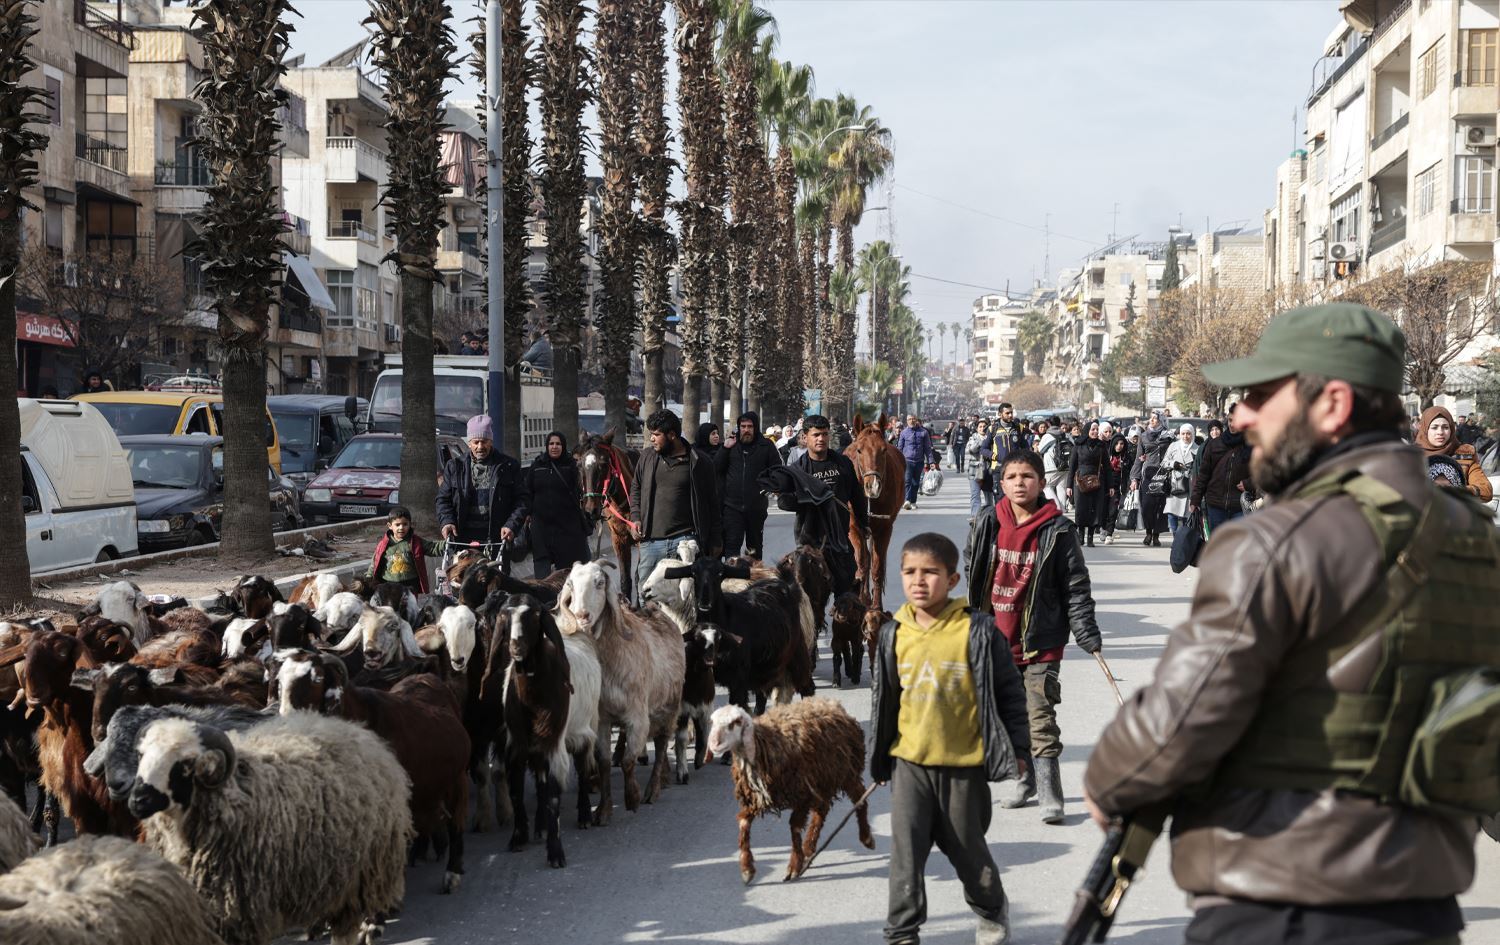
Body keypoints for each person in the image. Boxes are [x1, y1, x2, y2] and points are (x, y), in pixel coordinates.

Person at [1084, 301, 1500, 945]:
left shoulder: (1276, 541)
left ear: (1331, 405)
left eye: (1259, 394)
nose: (1242, 414)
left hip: (1281, 907)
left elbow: (1173, 728)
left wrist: (1110, 775)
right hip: (1423, 910)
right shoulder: (1474, 537)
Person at [869, 532, 1030, 945]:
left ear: (954, 579)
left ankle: (992, 911)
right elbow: (884, 700)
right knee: (905, 855)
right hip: (910, 764)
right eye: (909, 572)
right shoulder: (893, 633)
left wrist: (1020, 749)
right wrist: (879, 756)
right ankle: (901, 932)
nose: (918, 581)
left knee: (968, 852)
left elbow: (1010, 693)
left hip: (964, 764)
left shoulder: (976, 631)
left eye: (930, 573)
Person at [965, 451, 1101, 823]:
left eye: (1028, 475)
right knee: (1010, 718)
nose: (1020, 482)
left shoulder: (1058, 530)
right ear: (1001, 483)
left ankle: (1050, 793)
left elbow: (1076, 586)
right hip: (995, 640)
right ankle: (1024, 781)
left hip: (1042, 640)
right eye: (1012, 476)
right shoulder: (987, 523)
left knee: (1040, 716)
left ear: (1042, 482)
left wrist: (1086, 631)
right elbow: (971, 567)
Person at [627, 409, 721, 591]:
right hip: (651, 542)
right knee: (646, 594)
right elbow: (635, 488)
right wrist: (635, 517)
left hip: (686, 542)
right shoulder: (647, 457)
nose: (652, 439)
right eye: (651, 434)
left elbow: (712, 503)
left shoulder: (700, 461)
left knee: (685, 596)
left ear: (671, 435)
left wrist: (716, 538)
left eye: (656, 435)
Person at [781, 414, 867, 595]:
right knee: (811, 602)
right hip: (809, 545)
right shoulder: (798, 469)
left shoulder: (843, 464)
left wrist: (863, 523)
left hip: (840, 542)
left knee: (847, 598)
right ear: (805, 437)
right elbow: (784, 501)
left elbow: (857, 496)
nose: (821, 439)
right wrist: (804, 497)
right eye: (816, 435)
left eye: (824, 434)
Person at [437, 415, 530, 554]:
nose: (480, 446)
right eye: (476, 442)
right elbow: (443, 500)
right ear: (469, 443)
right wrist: (447, 522)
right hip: (463, 540)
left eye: (484, 441)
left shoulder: (508, 466)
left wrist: (511, 525)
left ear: (491, 441)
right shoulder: (454, 467)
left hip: (496, 540)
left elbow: (522, 500)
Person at [524, 431, 592, 579]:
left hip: (567, 529)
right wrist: (527, 515)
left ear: (563, 446)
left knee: (565, 576)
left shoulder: (572, 466)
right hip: (541, 530)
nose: (554, 447)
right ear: (547, 446)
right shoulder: (537, 465)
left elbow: (584, 488)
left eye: (558, 444)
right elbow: (527, 493)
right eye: (551, 444)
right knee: (542, 576)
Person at [715, 410, 782, 560]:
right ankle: (732, 581)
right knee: (732, 547)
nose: (746, 430)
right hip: (732, 506)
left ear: (755, 427)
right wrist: (725, 448)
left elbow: (777, 470)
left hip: (756, 507)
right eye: (743, 426)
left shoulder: (766, 446)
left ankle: (754, 580)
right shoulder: (731, 445)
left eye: (750, 426)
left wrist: (769, 487)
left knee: (754, 548)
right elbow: (716, 468)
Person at [1191, 404, 1255, 535]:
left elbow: (1262, 473)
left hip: (1240, 506)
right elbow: (1203, 474)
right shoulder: (1215, 444)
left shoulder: (1252, 445)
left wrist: (1249, 483)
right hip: (1216, 505)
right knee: (1218, 546)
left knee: (1237, 545)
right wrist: (1195, 499)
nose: (1232, 424)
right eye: (1230, 420)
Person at [1417, 405, 1493, 500]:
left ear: (1452, 429)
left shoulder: (1465, 454)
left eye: (1445, 427)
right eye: (1434, 427)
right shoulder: (1411, 456)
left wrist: (1456, 491)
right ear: (1425, 429)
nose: (1440, 432)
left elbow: (1486, 491)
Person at [368, 505, 448, 594]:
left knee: (409, 607)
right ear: (390, 526)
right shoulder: (383, 544)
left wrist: (448, 543)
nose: (401, 528)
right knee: (390, 607)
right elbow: (375, 562)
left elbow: (433, 548)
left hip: (410, 585)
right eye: (397, 525)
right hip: (388, 585)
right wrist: (369, 577)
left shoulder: (415, 542)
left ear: (410, 524)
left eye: (405, 524)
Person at [1066, 420, 1113, 548]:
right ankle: (1080, 535)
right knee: (1081, 509)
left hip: (1097, 481)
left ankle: (1090, 537)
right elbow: (1072, 466)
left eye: (1097, 430)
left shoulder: (1101, 446)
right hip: (1080, 481)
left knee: (1094, 509)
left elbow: (1108, 467)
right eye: (1093, 429)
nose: (1095, 432)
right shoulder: (1078, 445)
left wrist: (1111, 486)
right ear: (1087, 430)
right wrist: (1068, 486)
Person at [1130, 432, 1171, 546]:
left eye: (1156, 418)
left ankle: (1156, 535)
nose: (1153, 421)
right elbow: (1138, 459)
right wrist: (1135, 478)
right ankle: (1148, 532)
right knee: (1147, 505)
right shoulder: (1143, 437)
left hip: (1163, 474)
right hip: (1148, 474)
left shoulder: (1168, 436)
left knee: (1160, 506)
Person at [1098, 429, 1135, 545]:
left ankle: (1109, 533)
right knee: (1103, 510)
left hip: (1118, 488)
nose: (1119, 446)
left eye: (1122, 444)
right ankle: (1103, 528)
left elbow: (1131, 472)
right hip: (1104, 486)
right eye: (1117, 443)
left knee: (1113, 511)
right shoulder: (1106, 455)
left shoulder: (1126, 458)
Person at [1161, 423, 1198, 536]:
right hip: (1174, 483)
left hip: (1189, 485)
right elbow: (1163, 463)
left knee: (1187, 514)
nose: (1185, 436)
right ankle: (1175, 536)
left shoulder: (1197, 448)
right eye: (1183, 434)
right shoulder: (1173, 446)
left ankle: (1183, 539)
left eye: (1188, 434)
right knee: (1172, 512)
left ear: (1193, 434)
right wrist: (1174, 464)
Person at [980, 403, 1025, 496]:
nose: (1010, 415)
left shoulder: (1018, 427)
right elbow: (983, 449)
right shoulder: (993, 428)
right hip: (998, 469)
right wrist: (995, 456)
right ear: (1000, 414)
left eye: (1011, 413)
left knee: (1015, 497)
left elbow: (1026, 447)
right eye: (1007, 413)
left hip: (1015, 469)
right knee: (1000, 499)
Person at [896, 415, 935, 510]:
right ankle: (907, 500)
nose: (911, 421)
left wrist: (931, 461)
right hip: (907, 460)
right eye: (909, 419)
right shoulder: (904, 433)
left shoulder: (923, 432)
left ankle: (913, 501)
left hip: (919, 461)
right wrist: (897, 460)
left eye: (913, 419)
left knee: (916, 483)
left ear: (916, 420)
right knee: (907, 481)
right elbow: (900, 448)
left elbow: (927, 448)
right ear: (907, 421)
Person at [1035, 416, 1073, 512]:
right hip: (1065, 466)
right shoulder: (1065, 435)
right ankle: (1062, 510)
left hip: (1051, 466)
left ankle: (1058, 508)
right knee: (1061, 488)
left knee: (1046, 486)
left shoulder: (1048, 436)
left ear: (1049, 424)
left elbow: (1040, 449)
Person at [966, 419, 990, 519]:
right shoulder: (973, 438)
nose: (982, 428)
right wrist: (982, 441)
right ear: (977, 428)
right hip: (974, 471)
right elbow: (971, 450)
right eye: (980, 426)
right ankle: (975, 517)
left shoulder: (991, 438)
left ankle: (990, 516)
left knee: (989, 496)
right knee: (975, 495)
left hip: (988, 471)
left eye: (984, 426)